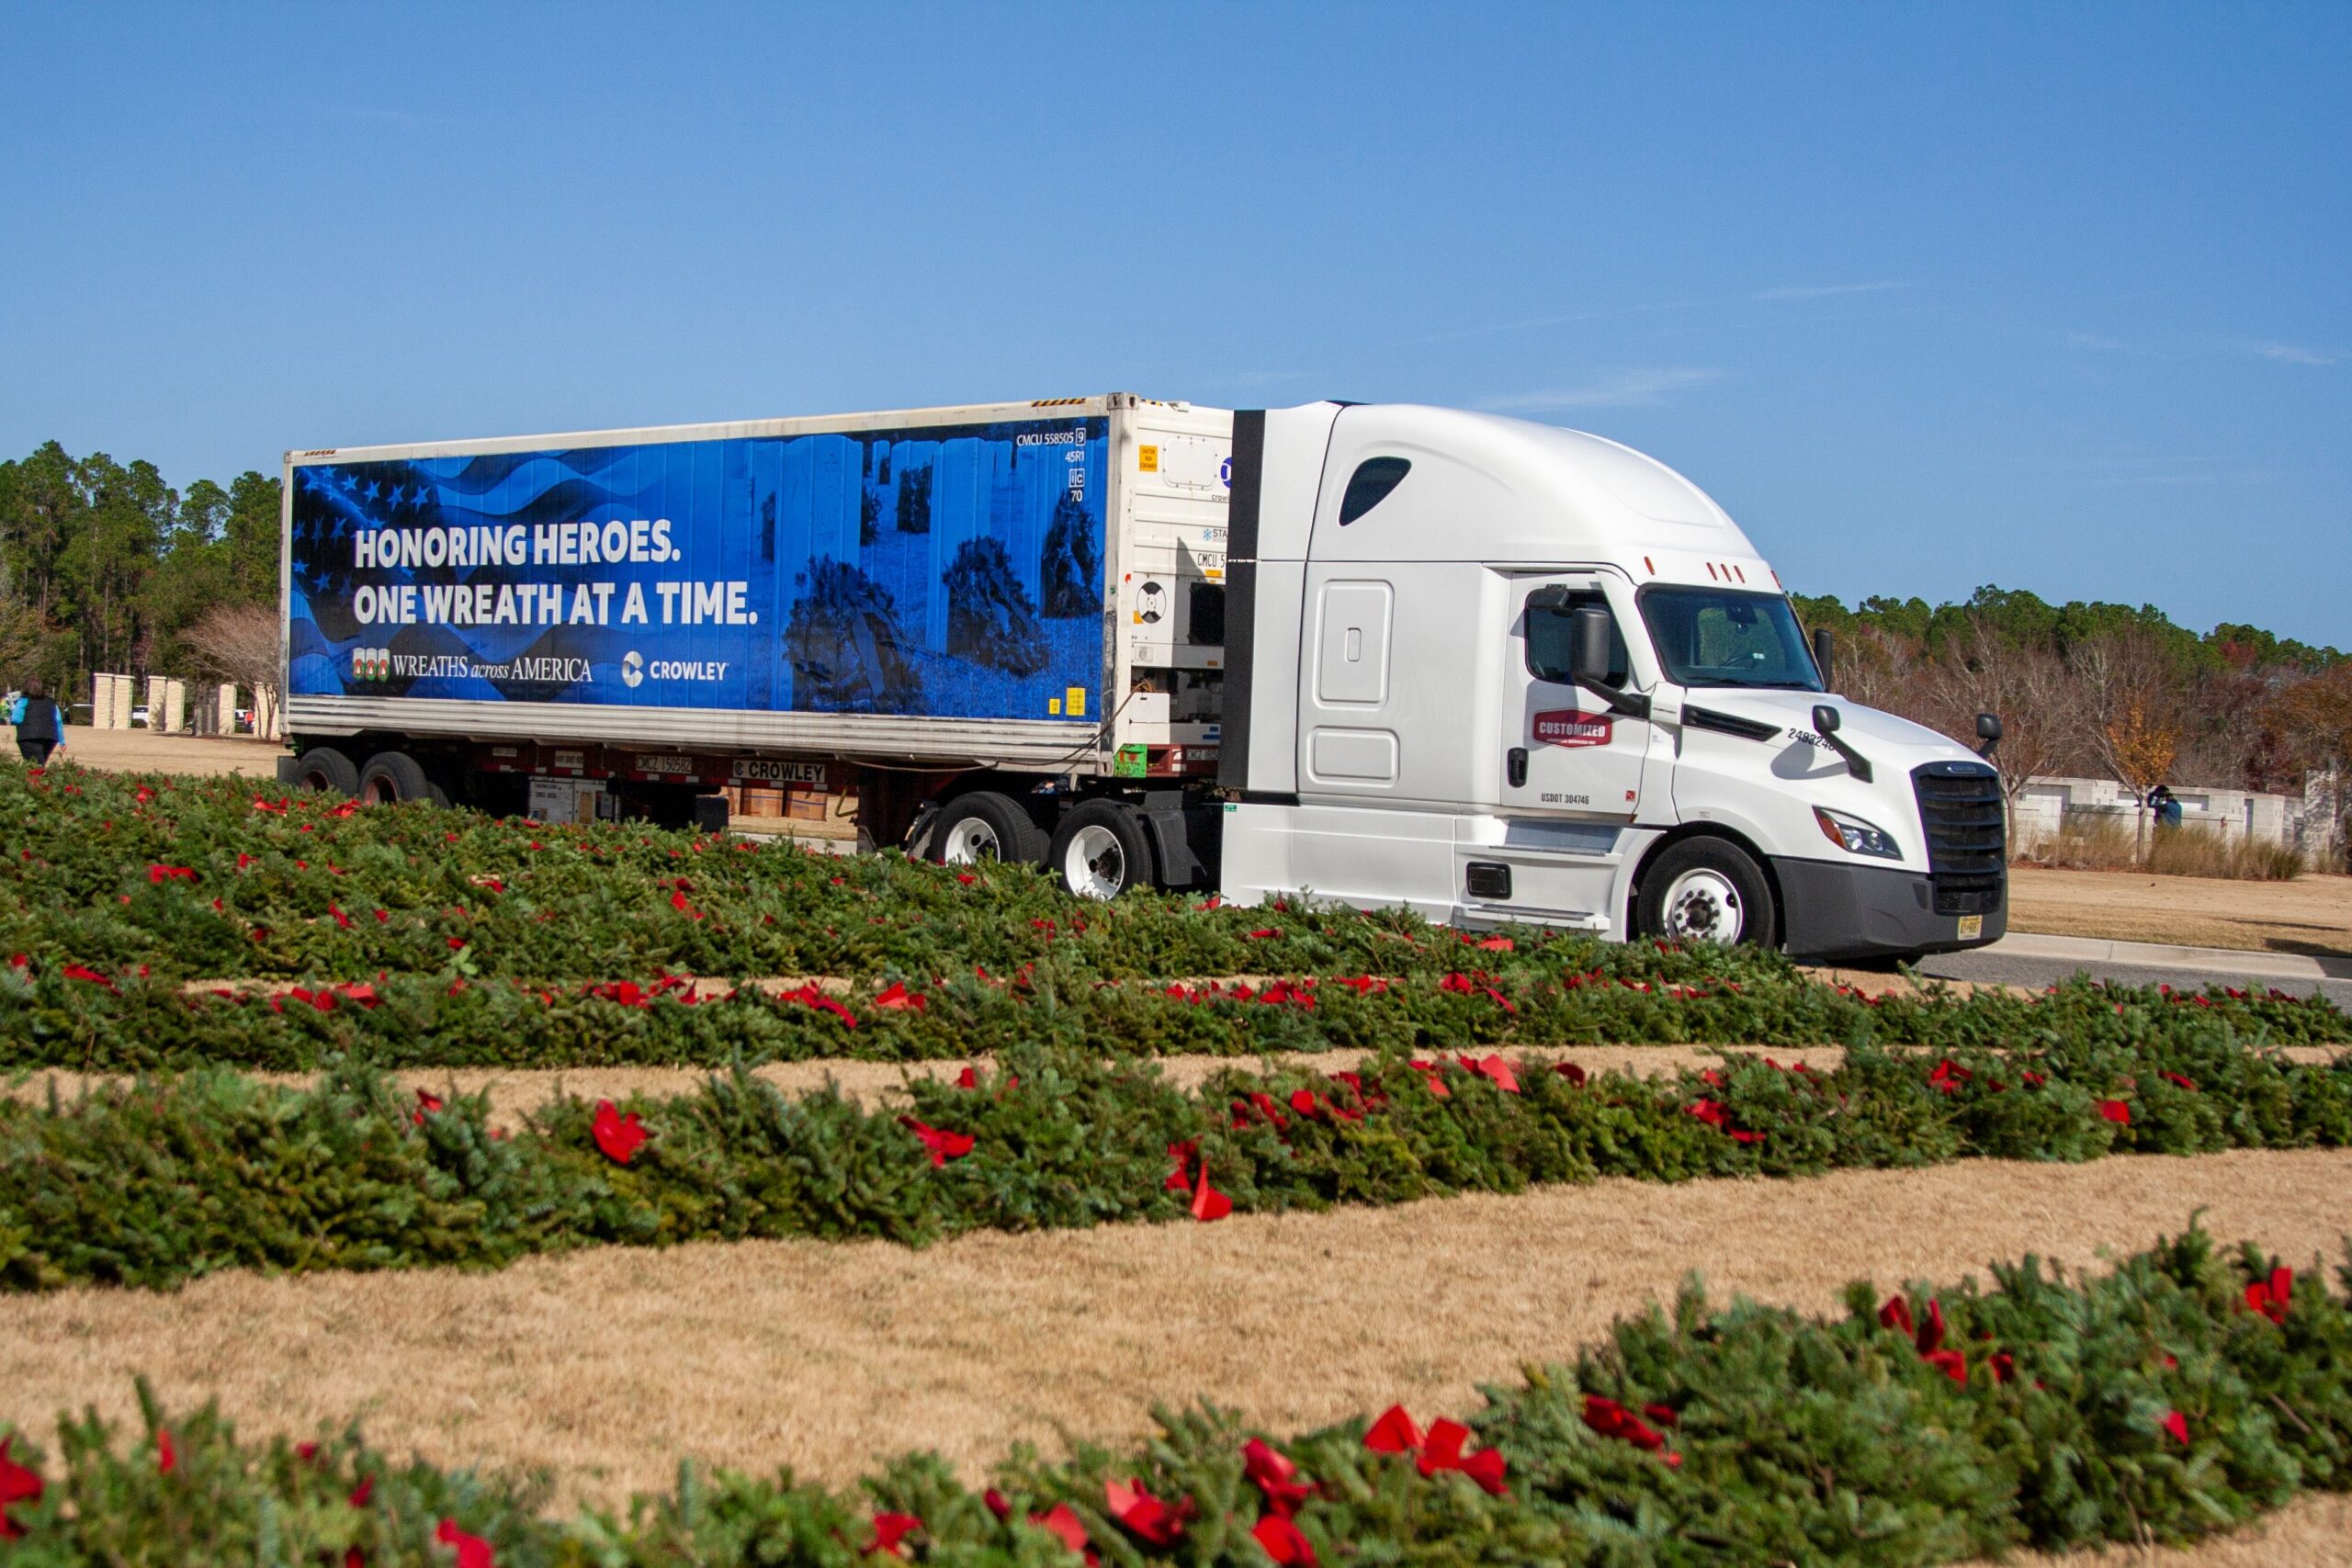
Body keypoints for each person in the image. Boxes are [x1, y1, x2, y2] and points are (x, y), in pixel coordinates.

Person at [11, 678, 63, 765]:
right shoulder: (51, 702)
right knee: (40, 764)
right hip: (50, 737)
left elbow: (16, 719)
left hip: (28, 737)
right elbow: (58, 720)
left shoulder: (24, 700)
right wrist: (62, 740)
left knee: (34, 766)